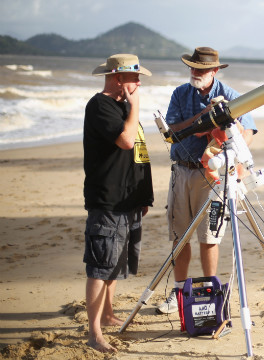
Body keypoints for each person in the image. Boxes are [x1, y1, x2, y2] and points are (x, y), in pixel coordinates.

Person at [156, 47, 257, 314]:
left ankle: (210, 292)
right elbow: (172, 130)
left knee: (210, 236)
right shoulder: (180, 93)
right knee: (180, 235)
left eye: (200, 69)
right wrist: (203, 119)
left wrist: (228, 137)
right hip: (183, 170)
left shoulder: (231, 96)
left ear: (214, 71)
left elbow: (249, 132)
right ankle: (178, 294)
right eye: (192, 67)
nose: (195, 73)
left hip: (213, 174)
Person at [83, 54, 154, 352]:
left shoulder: (124, 107)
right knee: (100, 266)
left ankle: (109, 313)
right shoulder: (100, 105)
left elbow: (138, 152)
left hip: (129, 199)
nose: (139, 83)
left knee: (115, 264)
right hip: (108, 200)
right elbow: (125, 140)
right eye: (134, 78)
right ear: (117, 78)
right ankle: (94, 332)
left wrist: (144, 194)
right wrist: (135, 106)